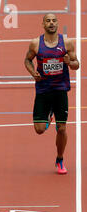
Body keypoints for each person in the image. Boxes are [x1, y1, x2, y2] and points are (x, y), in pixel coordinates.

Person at [24, 13, 79, 174]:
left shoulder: (67, 43)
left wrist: (71, 63)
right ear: (43, 24)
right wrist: (33, 72)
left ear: (57, 23)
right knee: (39, 129)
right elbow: (27, 60)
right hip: (43, 90)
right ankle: (48, 116)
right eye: (48, 21)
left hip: (60, 90)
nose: (51, 23)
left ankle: (60, 160)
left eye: (54, 20)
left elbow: (77, 64)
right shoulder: (35, 43)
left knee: (62, 129)